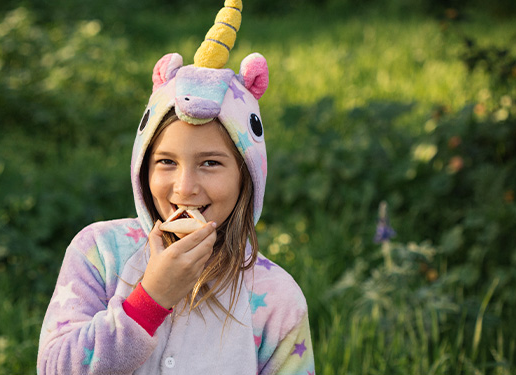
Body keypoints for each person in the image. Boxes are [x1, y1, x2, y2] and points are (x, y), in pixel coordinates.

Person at [37, 1, 315, 373]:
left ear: (246, 175)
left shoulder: (277, 299)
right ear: (142, 169)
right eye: (166, 162)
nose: (185, 189)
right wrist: (150, 299)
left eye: (211, 163)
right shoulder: (99, 254)